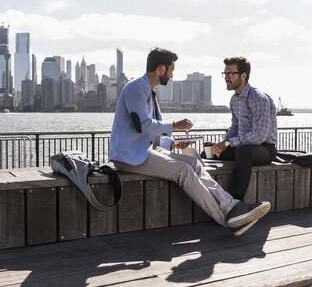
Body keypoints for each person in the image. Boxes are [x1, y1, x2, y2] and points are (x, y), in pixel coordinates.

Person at [109, 48, 270, 236]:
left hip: (143, 150)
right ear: (161, 69)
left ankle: (231, 205)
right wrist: (174, 125)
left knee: (194, 162)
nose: (171, 75)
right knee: (183, 171)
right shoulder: (137, 87)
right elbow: (141, 125)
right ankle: (227, 219)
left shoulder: (150, 92)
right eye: (171, 70)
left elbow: (147, 133)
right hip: (129, 156)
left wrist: (172, 143)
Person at [211, 56, 278, 200]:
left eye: (231, 74)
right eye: (225, 74)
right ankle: (211, 197)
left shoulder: (258, 99)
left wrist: (229, 143)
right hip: (242, 146)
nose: (226, 78)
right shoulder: (234, 99)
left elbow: (260, 135)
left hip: (265, 149)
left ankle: (237, 200)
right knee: (209, 152)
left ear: (243, 75)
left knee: (243, 152)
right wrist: (221, 144)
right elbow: (235, 127)